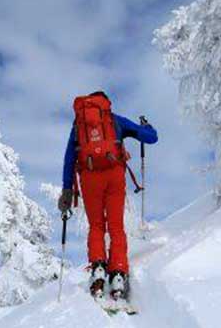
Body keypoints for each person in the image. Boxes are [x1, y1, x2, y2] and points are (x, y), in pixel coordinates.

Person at [57, 91, 157, 303]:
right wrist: (147, 127)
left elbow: (68, 160)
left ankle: (99, 269)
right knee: (116, 226)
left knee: (96, 226)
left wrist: (67, 191)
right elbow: (151, 138)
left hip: (89, 178)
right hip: (114, 175)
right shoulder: (114, 121)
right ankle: (119, 274)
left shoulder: (78, 127)